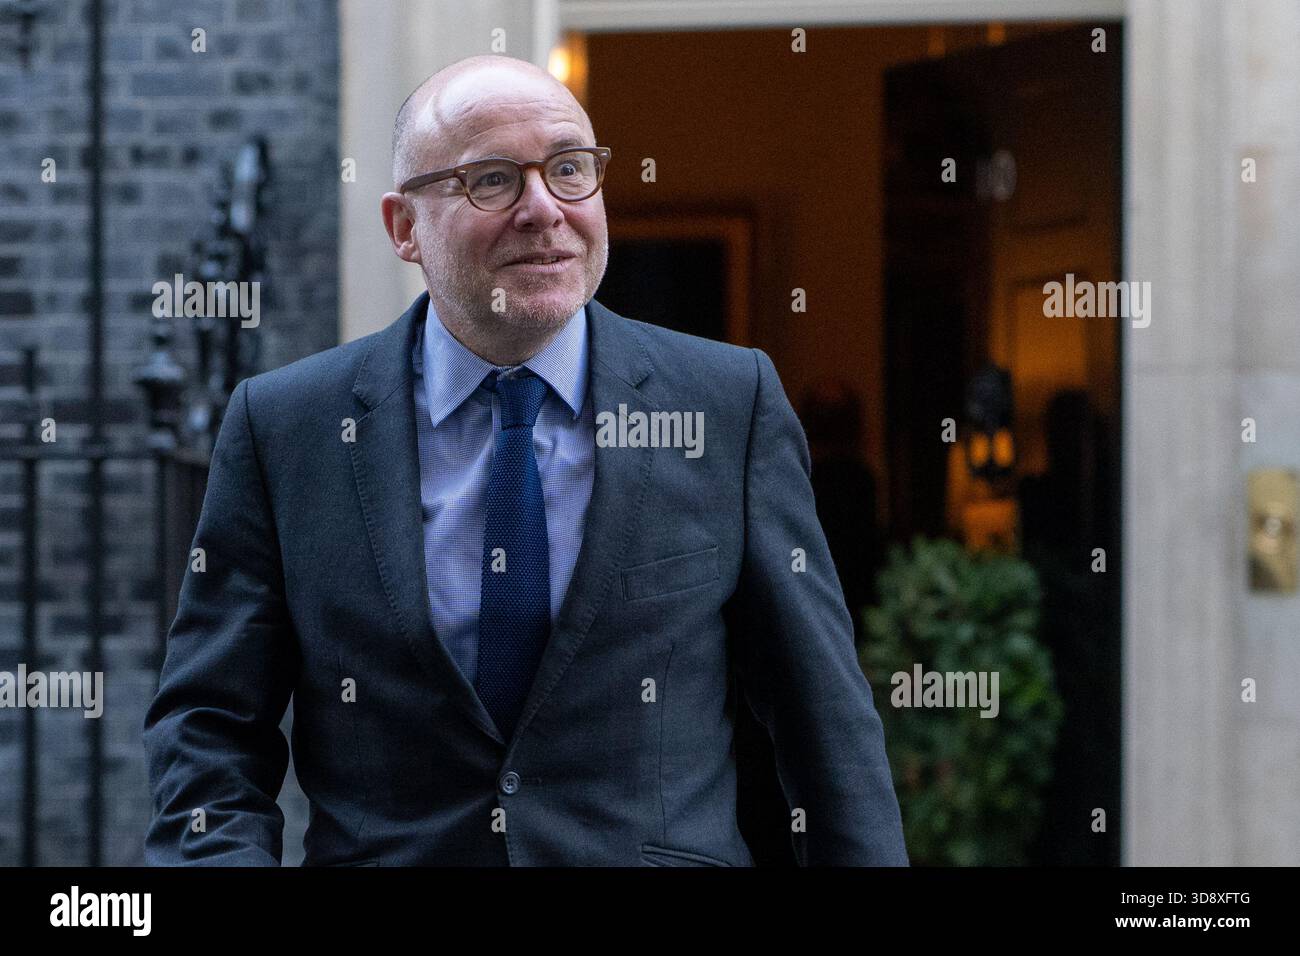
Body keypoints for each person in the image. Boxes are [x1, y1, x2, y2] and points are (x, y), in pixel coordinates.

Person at [141, 53, 907, 866]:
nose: (545, 209)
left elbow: (823, 718)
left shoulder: (727, 403)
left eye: (570, 169)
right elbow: (210, 728)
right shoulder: (288, 427)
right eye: (493, 180)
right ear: (404, 226)